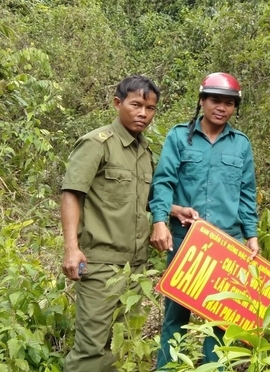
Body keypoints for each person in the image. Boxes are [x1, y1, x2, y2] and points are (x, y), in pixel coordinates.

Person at [149, 72, 260, 369]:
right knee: (176, 315)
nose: (221, 107)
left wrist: (252, 236)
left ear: (235, 107)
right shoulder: (178, 137)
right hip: (186, 241)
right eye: (215, 100)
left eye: (228, 103)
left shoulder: (241, 145)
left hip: (229, 243)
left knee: (223, 319)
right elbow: (163, 183)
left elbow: (247, 193)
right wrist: (160, 220)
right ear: (202, 101)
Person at [61, 75, 160, 371]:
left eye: (151, 108)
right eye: (136, 105)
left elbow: (146, 200)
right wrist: (71, 249)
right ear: (117, 103)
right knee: (91, 350)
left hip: (135, 267)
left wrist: (176, 211)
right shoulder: (97, 143)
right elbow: (71, 194)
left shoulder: (145, 152)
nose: (143, 113)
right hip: (101, 264)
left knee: (122, 347)